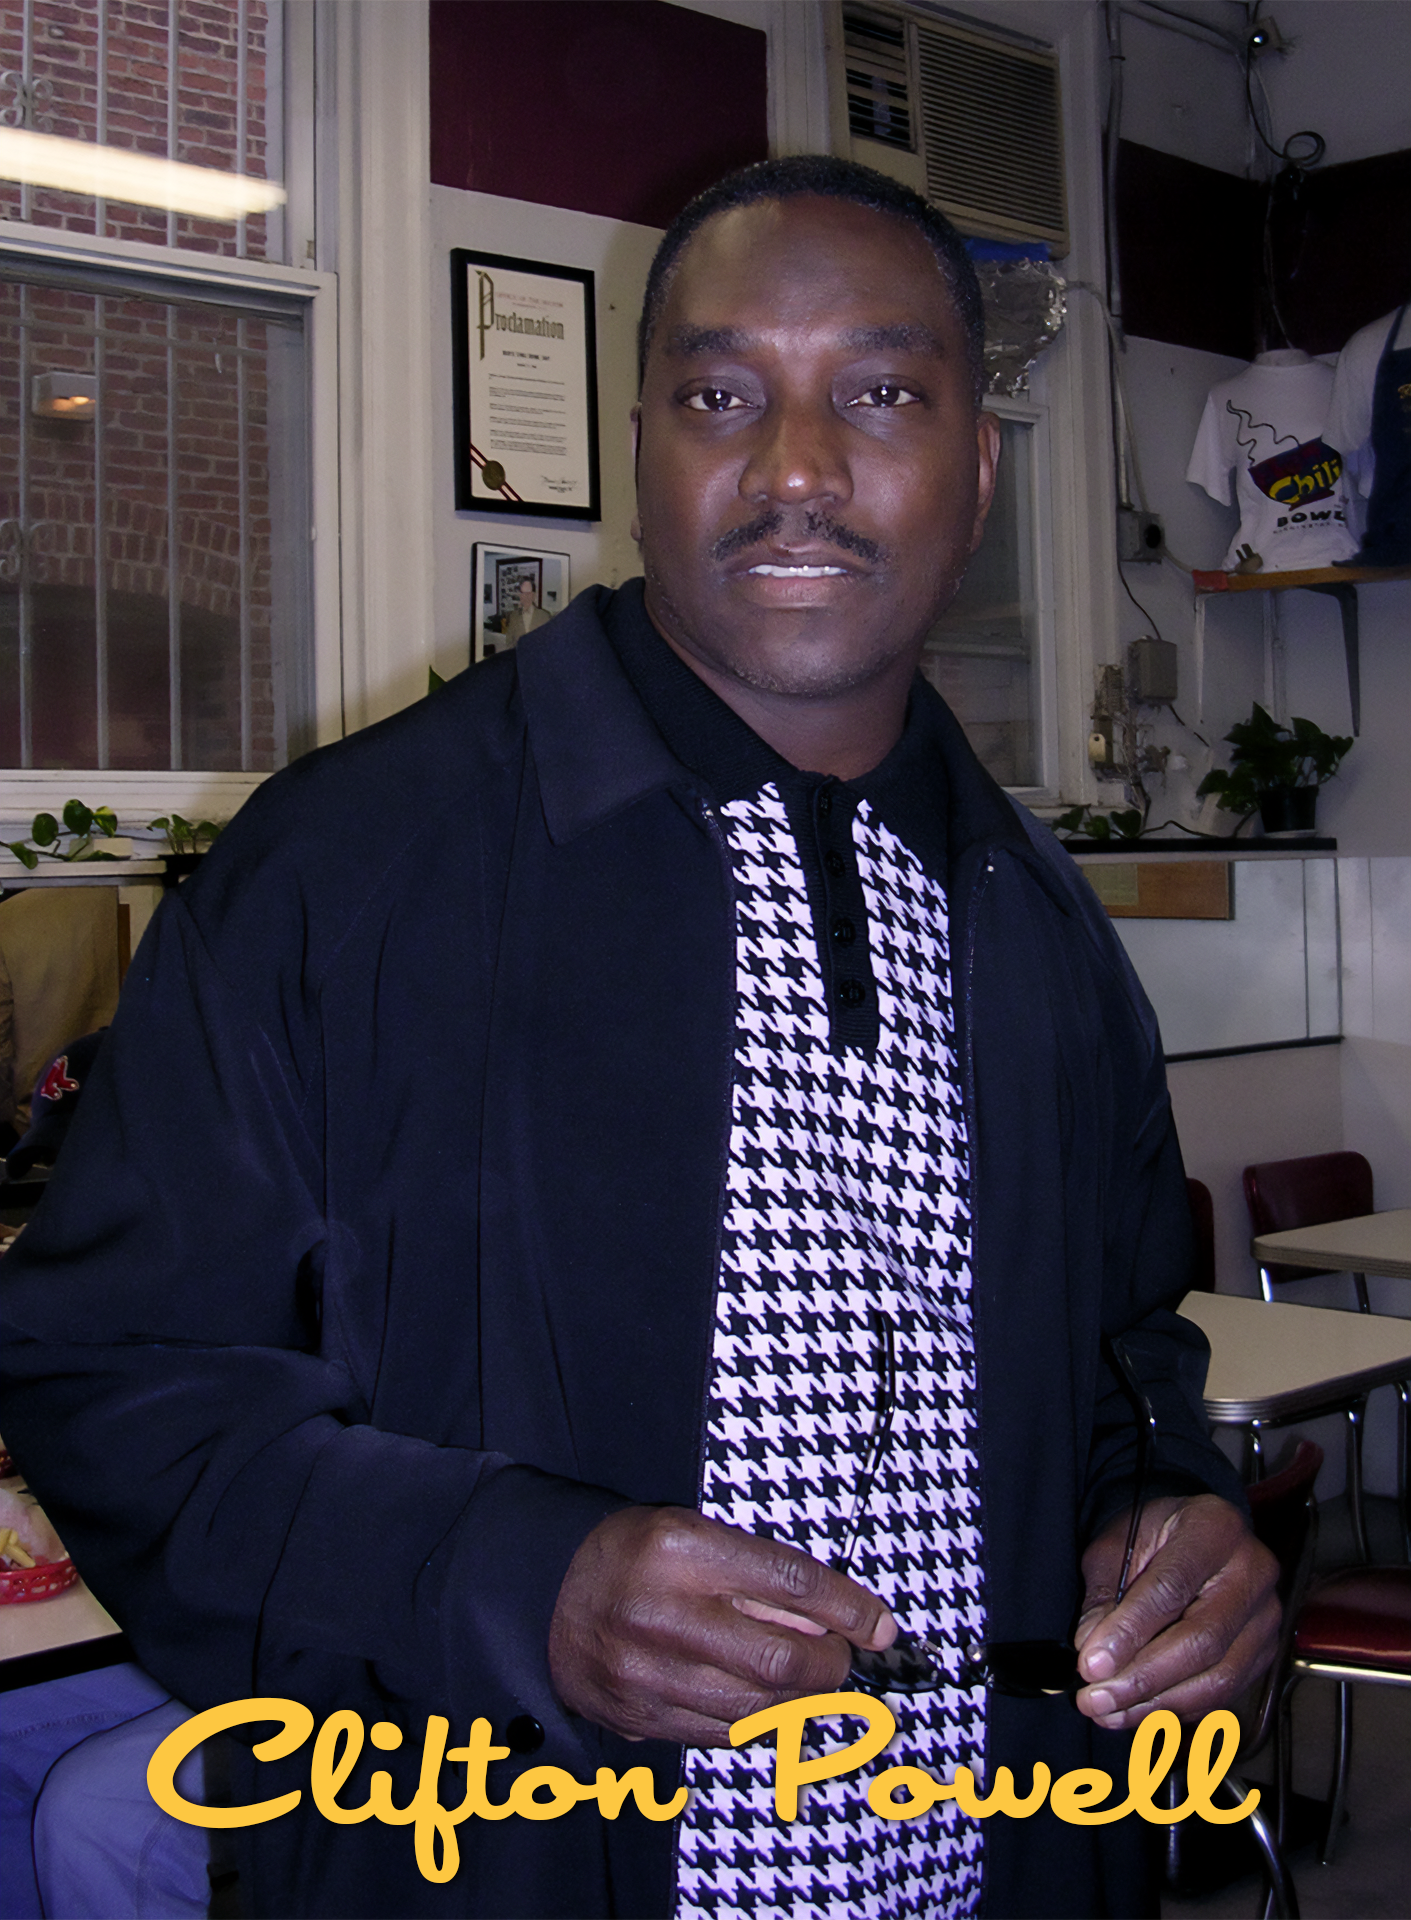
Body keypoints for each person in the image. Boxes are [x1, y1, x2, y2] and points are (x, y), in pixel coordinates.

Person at [0, 157, 1276, 1920]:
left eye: (880, 394)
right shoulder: (348, 873)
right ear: (638, 453)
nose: (795, 469)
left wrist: (1167, 1513)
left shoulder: (1043, 928)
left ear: (978, 471)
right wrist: (507, 1581)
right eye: (718, 397)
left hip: (984, 1862)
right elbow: (115, 1378)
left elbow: (1128, 1349)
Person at [501, 575, 552, 645]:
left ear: (533, 595)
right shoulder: (513, 617)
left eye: (529, 593)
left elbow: (549, 642)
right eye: (523, 593)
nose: (526, 597)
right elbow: (509, 643)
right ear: (519, 595)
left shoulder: (545, 616)